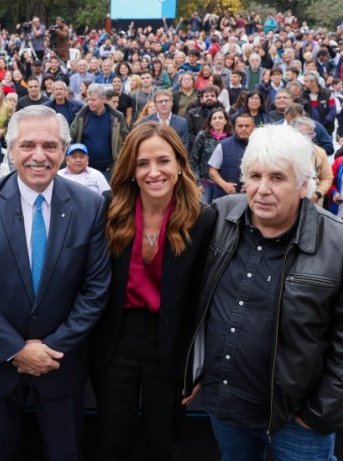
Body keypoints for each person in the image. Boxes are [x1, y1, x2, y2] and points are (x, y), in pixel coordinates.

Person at [184, 123, 343, 460]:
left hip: (296, 418)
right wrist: (194, 369)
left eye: (277, 178)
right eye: (255, 176)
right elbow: (190, 298)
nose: (262, 189)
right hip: (227, 406)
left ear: (304, 185)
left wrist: (317, 414)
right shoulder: (219, 217)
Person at [0, 105, 111, 460]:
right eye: (28, 145)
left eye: (50, 146)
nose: (39, 156)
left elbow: (95, 289)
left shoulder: (90, 206)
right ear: (10, 150)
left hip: (61, 363)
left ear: (63, 150)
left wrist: (50, 349)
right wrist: (16, 349)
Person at [90, 122, 215, 460]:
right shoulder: (108, 209)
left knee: (164, 441)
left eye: (163, 161)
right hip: (116, 339)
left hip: (170, 343)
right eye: (142, 163)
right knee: (113, 440)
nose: (153, 172)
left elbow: (204, 299)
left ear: (179, 164)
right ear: (131, 169)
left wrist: (199, 364)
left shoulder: (203, 219)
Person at [69, 84, 129, 181]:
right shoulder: (81, 117)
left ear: (103, 99)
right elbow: (70, 138)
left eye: (93, 100)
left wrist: (117, 163)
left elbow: (126, 140)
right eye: (88, 100)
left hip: (108, 170)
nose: (90, 103)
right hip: (85, 169)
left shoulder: (116, 117)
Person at [208, 112, 255, 199]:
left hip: (253, 197)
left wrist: (253, 184)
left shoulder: (260, 146)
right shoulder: (223, 145)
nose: (243, 129)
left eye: (247, 126)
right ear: (235, 127)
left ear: (253, 127)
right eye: (240, 126)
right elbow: (212, 171)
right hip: (226, 197)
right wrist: (224, 184)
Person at [190, 107, 232, 204]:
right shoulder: (203, 136)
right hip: (205, 184)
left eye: (220, 118)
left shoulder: (231, 137)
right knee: (204, 212)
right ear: (210, 122)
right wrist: (197, 182)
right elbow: (193, 160)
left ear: (225, 121)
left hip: (224, 183)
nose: (217, 121)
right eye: (214, 118)